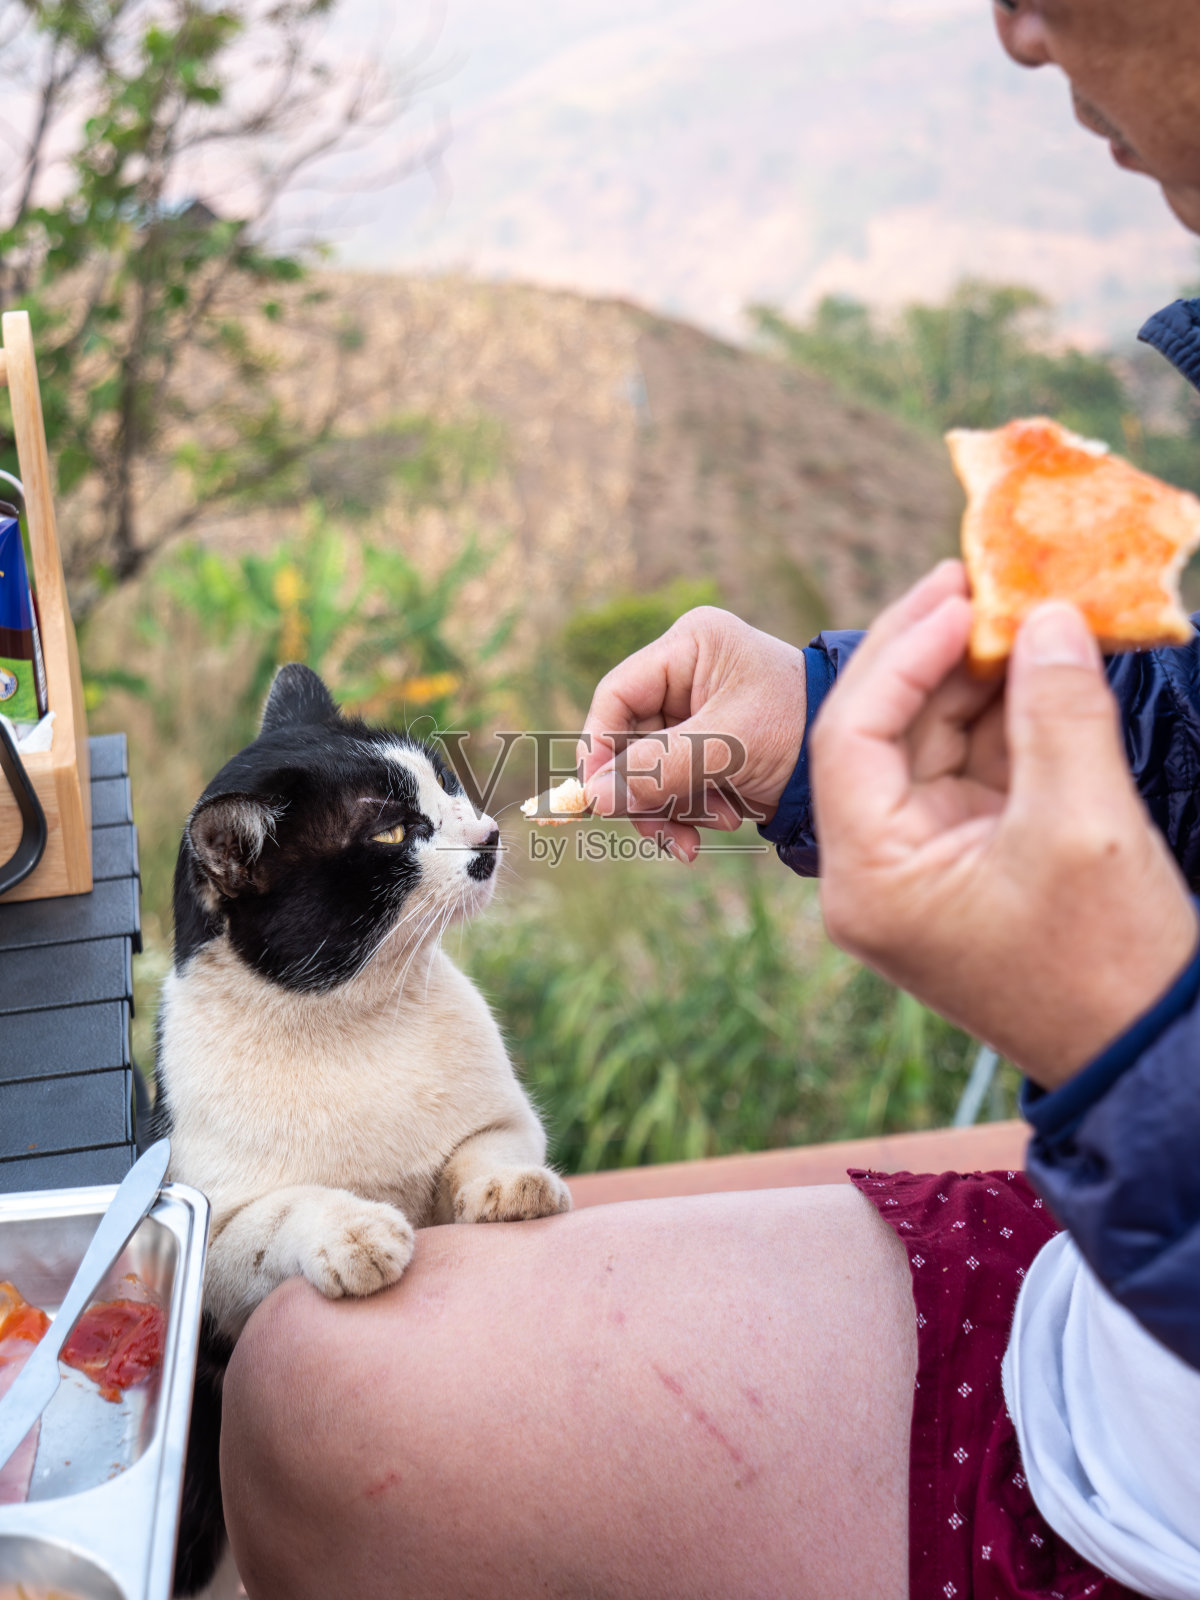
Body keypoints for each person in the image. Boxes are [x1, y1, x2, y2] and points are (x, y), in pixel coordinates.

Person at [220, 2, 1200, 1596]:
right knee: (325, 1369)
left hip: (1138, 1458)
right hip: (1123, 1290)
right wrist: (817, 724)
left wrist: (1118, 1037)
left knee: (334, 1388)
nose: (1014, 25)